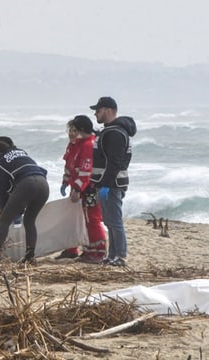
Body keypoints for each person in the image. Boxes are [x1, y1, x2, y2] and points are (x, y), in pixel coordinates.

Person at [89, 97, 137, 267]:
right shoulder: (110, 131)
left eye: (98, 110)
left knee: (114, 220)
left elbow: (114, 162)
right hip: (109, 183)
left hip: (112, 184)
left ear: (108, 110)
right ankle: (112, 255)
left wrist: (106, 185)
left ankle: (120, 256)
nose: (95, 113)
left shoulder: (115, 133)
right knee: (109, 220)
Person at [55, 115, 108, 263]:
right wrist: (66, 182)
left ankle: (98, 252)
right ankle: (75, 249)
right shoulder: (75, 144)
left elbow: (86, 169)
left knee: (92, 219)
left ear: (82, 130)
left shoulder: (88, 145)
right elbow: (70, 165)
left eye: (74, 130)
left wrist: (78, 188)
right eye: (70, 130)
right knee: (77, 219)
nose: (71, 133)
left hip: (89, 188)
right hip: (77, 187)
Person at [0, 138, 49, 263]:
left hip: (27, 184)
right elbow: (41, 170)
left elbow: (2, 187)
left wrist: (4, 209)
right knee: (29, 221)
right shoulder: (21, 152)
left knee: (4, 220)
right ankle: (30, 255)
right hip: (43, 184)